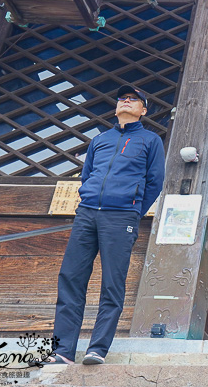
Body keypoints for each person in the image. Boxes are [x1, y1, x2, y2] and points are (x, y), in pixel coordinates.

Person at [50, 85, 165, 365]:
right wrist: (88, 198)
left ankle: (97, 349)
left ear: (143, 110)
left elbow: (155, 182)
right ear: (115, 107)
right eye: (122, 98)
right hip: (88, 214)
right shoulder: (100, 140)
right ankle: (62, 351)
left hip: (122, 216)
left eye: (133, 99)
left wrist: (133, 210)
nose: (126, 101)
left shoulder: (151, 140)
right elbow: (87, 175)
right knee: (70, 278)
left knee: (112, 283)